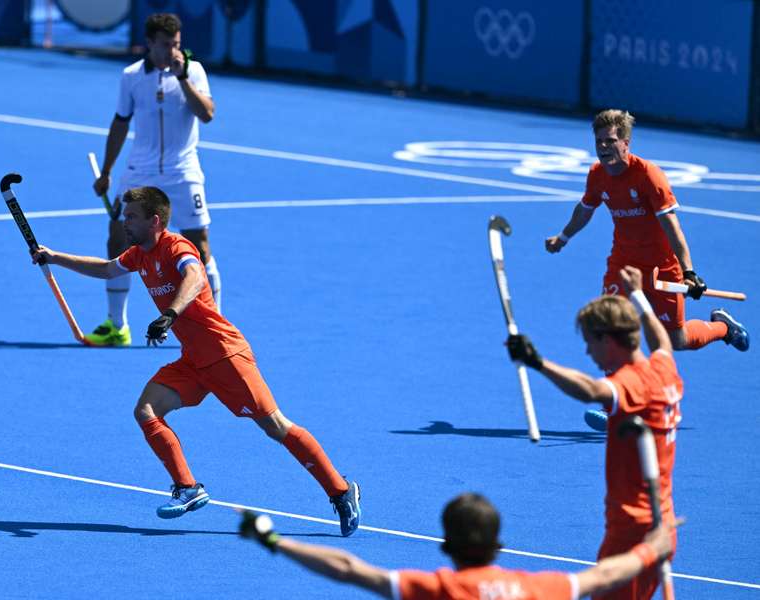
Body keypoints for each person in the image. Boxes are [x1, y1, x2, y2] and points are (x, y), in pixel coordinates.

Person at [30, 186, 361, 536]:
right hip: (193, 360)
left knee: (274, 426)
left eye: (131, 217)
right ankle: (188, 488)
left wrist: (170, 313)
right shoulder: (139, 255)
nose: (124, 222)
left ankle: (340, 491)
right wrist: (54, 257)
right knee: (146, 410)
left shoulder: (177, 247)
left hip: (224, 354)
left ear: (155, 221)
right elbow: (108, 270)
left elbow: (194, 276)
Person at [507, 266, 680, 600]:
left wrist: (537, 362)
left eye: (590, 343)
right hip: (662, 521)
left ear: (608, 339)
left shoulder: (632, 385)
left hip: (633, 530)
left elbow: (589, 390)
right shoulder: (664, 370)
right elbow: (661, 340)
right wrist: (638, 294)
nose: (588, 353)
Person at [545, 109, 749, 355]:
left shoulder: (649, 176)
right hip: (624, 264)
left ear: (625, 143)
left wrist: (689, 272)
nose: (603, 147)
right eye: (599, 141)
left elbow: (671, 226)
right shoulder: (597, 174)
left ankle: (723, 328)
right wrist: (563, 237)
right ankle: (624, 387)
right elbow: (585, 209)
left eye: (610, 141)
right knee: (608, 322)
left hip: (661, 268)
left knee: (676, 341)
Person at [239, 492, 678, 599]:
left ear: (446, 544)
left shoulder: (440, 589)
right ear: (497, 544)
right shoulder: (540, 588)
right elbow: (605, 575)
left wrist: (276, 541)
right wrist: (652, 549)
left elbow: (349, 569)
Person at [89, 12, 222, 347]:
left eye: (177, 44)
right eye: (165, 45)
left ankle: (215, 324)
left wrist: (182, 78)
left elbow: (206, 113)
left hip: (183, 171)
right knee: (118, 239)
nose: (173, 51)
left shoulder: (193, 71)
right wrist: (107, 171)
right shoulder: (131, 76)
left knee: (199, 244)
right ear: (149, 44)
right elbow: (120, 123)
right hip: (140, 172)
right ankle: (117, 325)